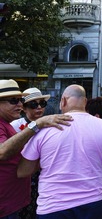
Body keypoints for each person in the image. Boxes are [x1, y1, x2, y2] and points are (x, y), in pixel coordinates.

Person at [18, 84, 102, 219]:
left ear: (63, 101)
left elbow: (23, 171)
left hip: (53, 206)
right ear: (85, 102)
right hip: (93, 203)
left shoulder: (43, 130)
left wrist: (46, 159)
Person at [0, 79, 72, 219]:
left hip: (13, 202)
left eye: (20, 100)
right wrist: (36, 125)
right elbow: (2, 152)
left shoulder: (6, 123)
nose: (20, 104)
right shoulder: (15, 124)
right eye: (14, 101)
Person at [11, 88, 51, 219]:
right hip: (21, 174)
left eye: (42, 104)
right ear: (24, 108)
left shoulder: (48, 124)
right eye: (34, 104)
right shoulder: (16, 125)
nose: (39, 107)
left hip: (42, 175)